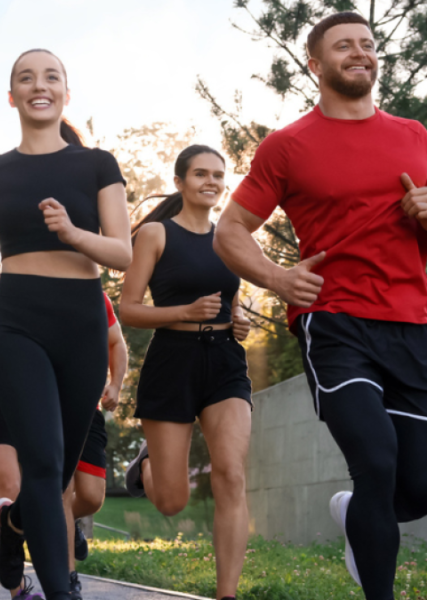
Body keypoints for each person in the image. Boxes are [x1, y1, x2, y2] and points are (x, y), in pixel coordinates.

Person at [212, 12, 427, 600]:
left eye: (367, 44)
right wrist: (277, 278)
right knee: (376, 462)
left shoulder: (416, 136)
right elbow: (230, 231)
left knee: (417, 485)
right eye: (343, 46)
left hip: (412, 324)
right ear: (315, 63)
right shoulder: (289, 146)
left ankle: (356, 513)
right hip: (335, 322)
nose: (359, 52)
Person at [0, 49, 131, 600]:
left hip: (81, 319)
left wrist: (73, 234)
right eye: (26, 78)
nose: (40, 85)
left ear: (66, 93)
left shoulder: (97, 165)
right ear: (12, 96)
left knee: (56, 474)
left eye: (51, 76)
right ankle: (60, 593)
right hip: (17, 319)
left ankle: (13, 526)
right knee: (40, 462)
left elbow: (123, 252)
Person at [119, 145, 252, 600]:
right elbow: (129, 309)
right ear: (179, 182)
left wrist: (240, 319)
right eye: (200, 174)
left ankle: (227, 594)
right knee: (172, 501)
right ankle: (147, 463)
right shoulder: (156, 234)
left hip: (225, 361)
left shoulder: (230, 236)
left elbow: (233, 297)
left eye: (218, 174)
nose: (210, 181)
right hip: (172, 361)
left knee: (230, 474)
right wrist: (185, 311)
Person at [66, 291, 127, 593]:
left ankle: (42, 521)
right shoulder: (37, 286)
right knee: (61, 493)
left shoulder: (95, 296)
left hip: (89, 410)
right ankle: (67, 583)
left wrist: (115, 383)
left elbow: (116, 342)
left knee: (91, 498)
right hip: (49, 407)